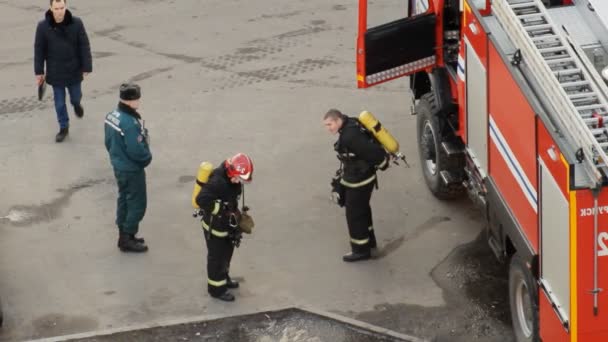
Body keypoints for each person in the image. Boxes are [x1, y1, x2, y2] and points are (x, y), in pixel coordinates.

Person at [323, 109, 389, 262]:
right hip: (362, 176)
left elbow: (370, 151)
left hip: (360, 180)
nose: (328, 128)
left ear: (338, 120)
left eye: (329, 124)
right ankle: (370, 241)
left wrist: (382, 162)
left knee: (354, 214)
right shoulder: (351, 123)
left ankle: (361, 250)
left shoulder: (349, 136)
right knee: (363, 208)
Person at [195, 153, 253, 302]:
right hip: (215, 228)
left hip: (227, 225)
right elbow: (201, 200)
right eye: (239, 178)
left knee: (227, 254)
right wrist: (221, 208)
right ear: (232, 172)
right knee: (216, 258)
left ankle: (224, 277)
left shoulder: (231, 180)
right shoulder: (217, 182)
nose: (239, 181)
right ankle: (216, 289)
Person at [34, 0, 92, 142]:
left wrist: (86, 66)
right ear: (51, 8)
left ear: (65, 7)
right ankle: (63, 127)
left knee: (75, 97)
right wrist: (39, 72)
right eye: (56, 8)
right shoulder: (43, 27)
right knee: (59, 103)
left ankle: (76, 104)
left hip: (74, 70)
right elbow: (39, 50)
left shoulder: (76, 23)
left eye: (62, 8)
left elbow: (84, 45)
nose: (59, 11)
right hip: (55, 72)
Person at [104, 83, 152, 253]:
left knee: (123, 198)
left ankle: (123, 235)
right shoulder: (129, 123)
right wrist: (147, 157)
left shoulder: (111, 116)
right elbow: (136, 150)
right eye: (137, 98)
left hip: (119, 166)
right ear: (131, 101)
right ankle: (128, 238)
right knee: (137, 203)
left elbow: (108, 143)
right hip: (132, 170)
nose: (139, 101)